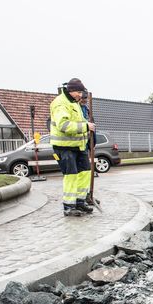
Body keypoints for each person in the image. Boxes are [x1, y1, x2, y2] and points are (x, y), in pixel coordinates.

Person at [50, 78, 95, 216]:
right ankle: (69, 206)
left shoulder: (74, 103)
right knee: (71, 176)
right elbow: (63, 125)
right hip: (64, 147)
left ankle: (80, 202)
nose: (81, 96)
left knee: (84, 173)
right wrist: (86, 126)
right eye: (79, 92)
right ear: (72, 91)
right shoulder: (60, 104)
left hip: (78, 146)